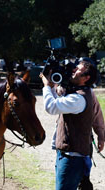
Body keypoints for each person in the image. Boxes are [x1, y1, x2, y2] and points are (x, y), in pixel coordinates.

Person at [40, 57, 105, 190]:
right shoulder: (76, 92)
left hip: (72, 158)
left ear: (86, 78)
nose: (73, 70)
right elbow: (58, 99)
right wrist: (53, 85)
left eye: (78, 69)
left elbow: (51, 107)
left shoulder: (79, 98)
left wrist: (46, 86)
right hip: (67, 155)